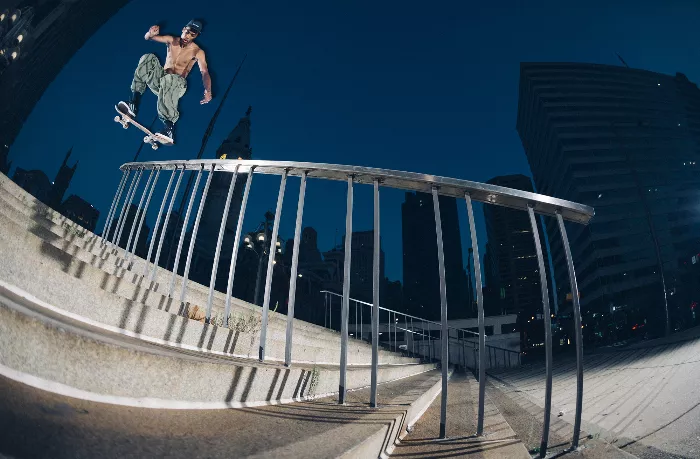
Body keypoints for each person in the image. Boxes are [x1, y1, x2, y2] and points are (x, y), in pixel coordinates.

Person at [118, 19, 212, 143]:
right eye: (187, 32)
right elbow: (148, 38)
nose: (188, 36)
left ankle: (169, 128)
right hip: (161, 81)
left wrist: (208, 89)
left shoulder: (198, 52)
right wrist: (150, 33)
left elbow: (204, 72)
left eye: (192, 35)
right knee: (148, 57)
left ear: (196, 36)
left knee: (170, 78)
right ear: (183, 29)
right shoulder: (172, 40)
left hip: (177, 85)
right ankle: (133, 104)